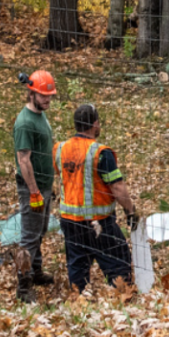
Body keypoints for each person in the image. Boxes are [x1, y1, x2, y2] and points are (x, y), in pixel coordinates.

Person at [56, 103, 139, 293]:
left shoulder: (60, 149)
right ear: (95, 124)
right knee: (117, 261)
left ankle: (79, 299)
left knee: (77, 266)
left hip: (70, 222)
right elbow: (117, 187)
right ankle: (121, 296)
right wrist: (130, 211)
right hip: (99, 223)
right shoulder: (101, 153)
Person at [13, 70, 58, 303]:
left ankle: (36, 270)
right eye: (43, 96)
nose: (47, 99)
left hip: (44, 184)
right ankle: (23, 286)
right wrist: (33, 192)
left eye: (50, 95)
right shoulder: (24, 123)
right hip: (32, 187)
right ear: (31, 93)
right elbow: (23, 160)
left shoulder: (40, 115)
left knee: (40, 231)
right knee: (30, 236)